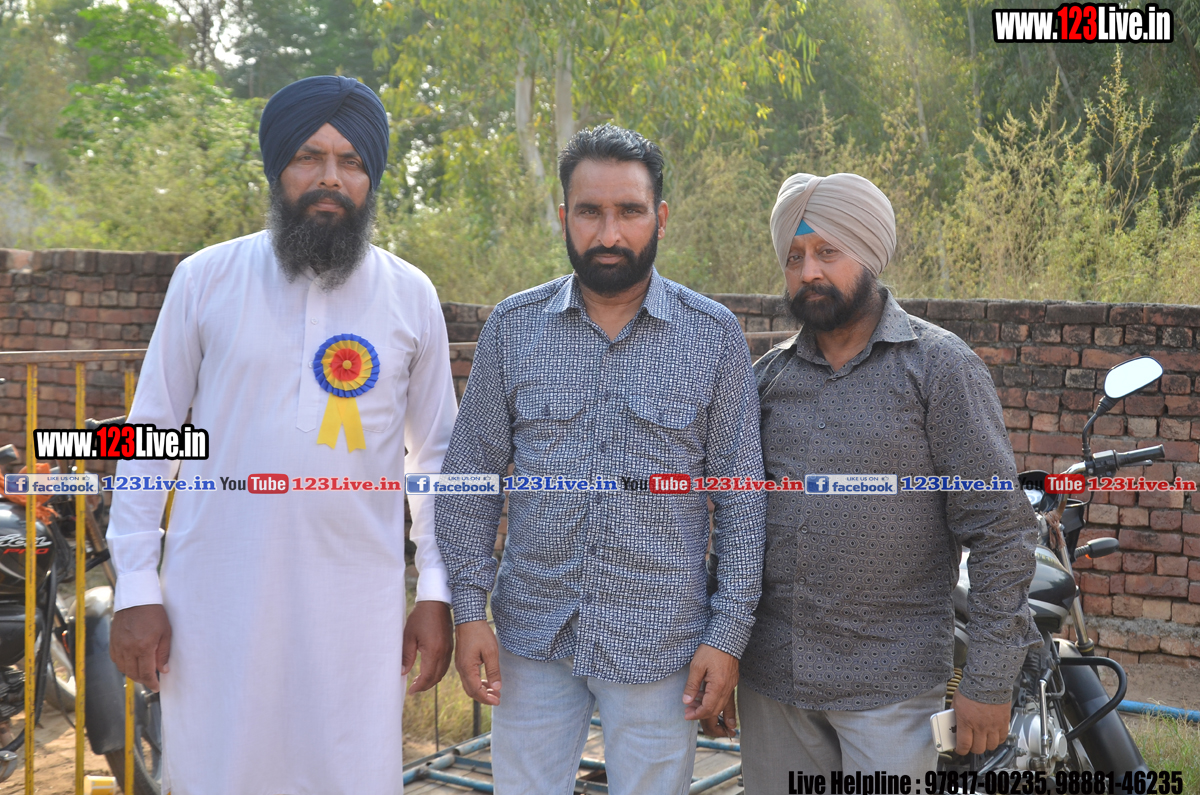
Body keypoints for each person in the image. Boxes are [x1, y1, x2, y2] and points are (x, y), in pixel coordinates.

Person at [105, 75, 457, 795]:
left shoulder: (410, 294)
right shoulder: (204, 279)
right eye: (308, 156)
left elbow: (438, 458)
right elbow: (148, 436)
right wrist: (136, 584)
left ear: (371, 178)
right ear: (276, 168)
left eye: (351, 161)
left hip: (357, 611)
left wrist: (436, 590)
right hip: (215, 604)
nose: (330, 177)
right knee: (219, 773)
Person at [434, 124, 766, 795]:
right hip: (531, 638)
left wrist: (727, 634)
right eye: (590, 211)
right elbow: (469, 480)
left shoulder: (712, 337)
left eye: (629, 211)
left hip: (660, 646)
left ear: (660, 218)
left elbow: (742, 500)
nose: (609, 233)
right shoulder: (513, 327)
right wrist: (469, 610)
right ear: (564, 217)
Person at [715, 172, 1040, 790]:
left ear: (870, 254)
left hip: (892, 689)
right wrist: (723, 651)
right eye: (794, 257)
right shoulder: (767, 380)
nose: (809, 271)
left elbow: (1000, 529)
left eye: (827, 251)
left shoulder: (939, 368)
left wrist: (991, 680)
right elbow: (737, 527)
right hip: (775, 682)